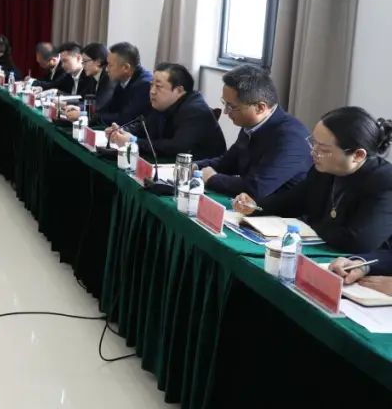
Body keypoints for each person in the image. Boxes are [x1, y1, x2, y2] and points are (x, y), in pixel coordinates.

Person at [234, 108, 392, 262]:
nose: (313, 152)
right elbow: (292, 201)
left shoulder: (384, 181)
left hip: (360, 265)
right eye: (314, 143)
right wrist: (255, 206)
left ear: (358, 155)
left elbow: (358, 241)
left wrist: (310, 224)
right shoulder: (324, 169)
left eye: (323, 149)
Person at [197, 64, 311, 199]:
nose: (226, 112)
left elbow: (256, 187)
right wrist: (193, 167)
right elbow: (227, 163)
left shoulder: (291, 139)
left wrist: (212, 178)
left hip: (279, 210)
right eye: (224, 103)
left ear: (260, 108)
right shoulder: (251, 125)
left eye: (231, 106)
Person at [108, 63, 225, 160]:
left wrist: (134, 141)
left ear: (179, 90)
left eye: (158, 86)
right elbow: (144, 126)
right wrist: (122, 131)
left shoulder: (195, 111)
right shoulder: (162, 103)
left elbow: (176, 147)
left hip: (198, 172)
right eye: (152, 85)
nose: (152, 91)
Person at [94, 42, 152, 127]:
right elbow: (109, 108)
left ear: (126, 68)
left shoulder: (144, 85)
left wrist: (96, 117)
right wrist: (87, 115)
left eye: (110, 65)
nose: (106, 69)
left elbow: (125, 119)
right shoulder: (122, 78)